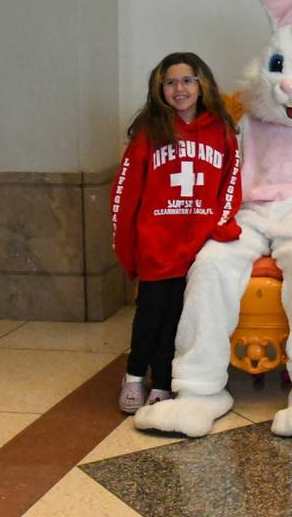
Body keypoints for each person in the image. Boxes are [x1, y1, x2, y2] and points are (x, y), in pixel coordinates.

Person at [111, 52, 242, 413]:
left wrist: (220, 227)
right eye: (170, 82)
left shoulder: (222, 131)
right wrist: (127, 245)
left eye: (187, 80)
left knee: (179, 316)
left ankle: (165, 381)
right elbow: (126, 192)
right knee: (150, 311)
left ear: (203, 86)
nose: (179, 88)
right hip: (157, 241)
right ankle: (135, 375)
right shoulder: (149, 132)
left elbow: (231, 182)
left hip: (197, 244)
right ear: (160, 88)